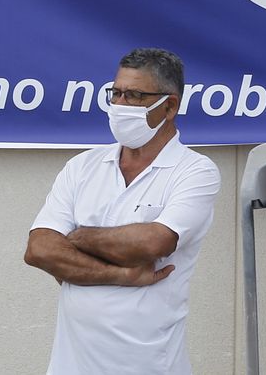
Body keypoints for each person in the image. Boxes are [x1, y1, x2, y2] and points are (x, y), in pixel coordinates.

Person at [24, 48, 220, 375]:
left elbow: (153, 243)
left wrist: (77, 238)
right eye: (115, 93)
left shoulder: (195, 171)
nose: (120, 104)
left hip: (150, 365)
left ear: (169, 106)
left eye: (134, 95)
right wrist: (122, 274)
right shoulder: (83, 166)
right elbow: (39, 250)